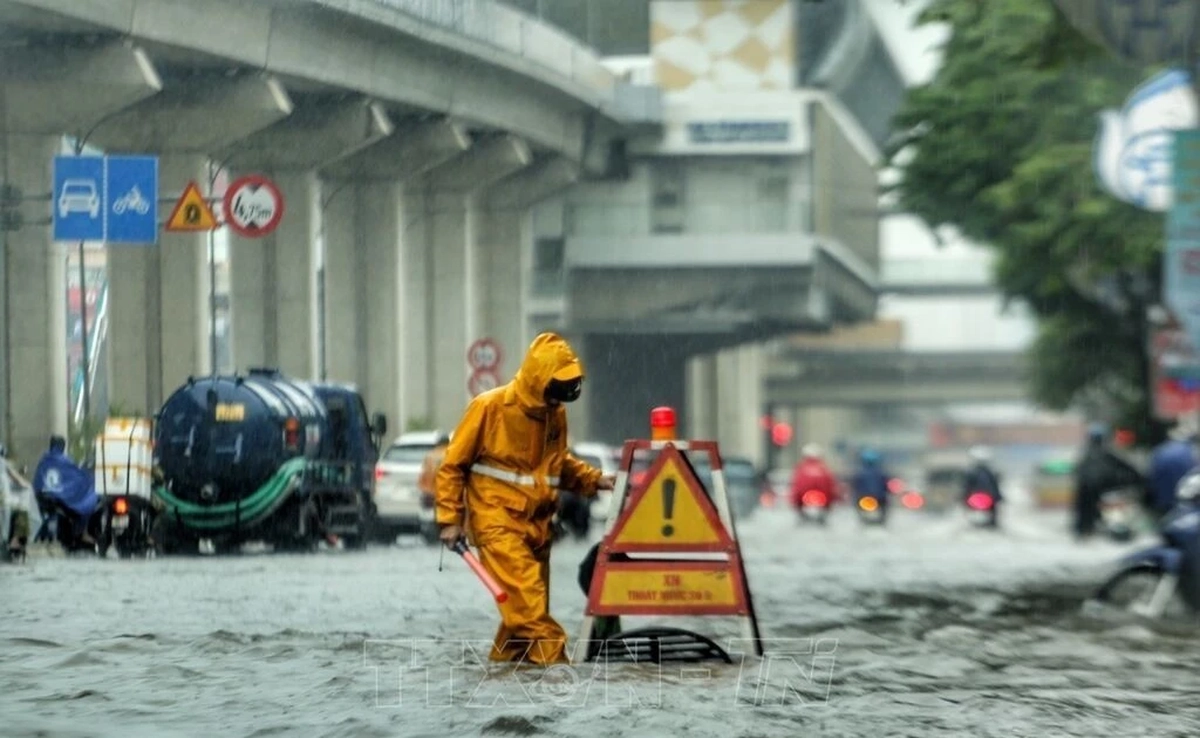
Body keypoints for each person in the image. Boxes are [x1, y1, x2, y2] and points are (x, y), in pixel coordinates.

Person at [435, 333, 615, 666]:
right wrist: (449, 519)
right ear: (538, 378)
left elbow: (557, 463)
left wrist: (596, 480)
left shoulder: (554, 414)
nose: (565, 393)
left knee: (521, 623)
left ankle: (504, 677)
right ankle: (560, 680)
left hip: (537, 526)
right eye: (559, 383)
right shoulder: (490, 408)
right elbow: (452, 466)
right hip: (497, 523)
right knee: (532, 611)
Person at [1072, 423, 1144, 540]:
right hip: (1101, 489)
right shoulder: (1105, 452)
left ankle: (1086, 530)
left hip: (1091, 490)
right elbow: (1128, 467)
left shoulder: (1087, 454)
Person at [32, 435, 99, 550]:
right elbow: (77, 477)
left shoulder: (44, 460)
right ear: (62, 446)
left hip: (42, 496)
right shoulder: (65, 461)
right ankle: (82, 533)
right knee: (88, 502)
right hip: (61, 497)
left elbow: (37, 481)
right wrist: (89, 480)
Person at [1147, 421, 1199, 519]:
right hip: (1188, 507)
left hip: (1164, 505)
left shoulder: (1159, 452)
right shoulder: (1192, 453)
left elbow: (1152, 481)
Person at [789, 443, 838, 513]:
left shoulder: (801, 468)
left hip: (807, 499)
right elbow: (830, 486)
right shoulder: (824, 468)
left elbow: (796, 486)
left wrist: (795, 500)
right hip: (820, 499)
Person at [963, 446, 1003, 526]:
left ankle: (993, 521)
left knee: (994, 507)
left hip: (981, 498)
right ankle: (993, 521)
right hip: (980, 498)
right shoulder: (989, 473)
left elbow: (966, 487)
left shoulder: (972, 472)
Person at [852, 448, 890, 522]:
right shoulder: (881, 473)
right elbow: (886, 486)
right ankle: (882, 518)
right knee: (884, 506)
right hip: (878, 497)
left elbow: (855, 485)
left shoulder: (860, 473)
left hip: (866, 497)